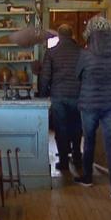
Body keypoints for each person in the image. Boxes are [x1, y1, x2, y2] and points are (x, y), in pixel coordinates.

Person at [74, 16, 111, 198]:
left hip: (89, 103)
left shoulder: (85, 53)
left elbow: (78, 75)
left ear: (90, 32)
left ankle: (88, 177)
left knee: (89, 140)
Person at [38, 23, 83, 172]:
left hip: (59, 96)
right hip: (78, 96)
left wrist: (43, 95)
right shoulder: (81, 52)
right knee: (77, 128)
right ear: (72, 35)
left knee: (61, 129)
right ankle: (77, 157)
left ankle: (63, 161)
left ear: (59, 35)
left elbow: (45, 77)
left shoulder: (52, 53)